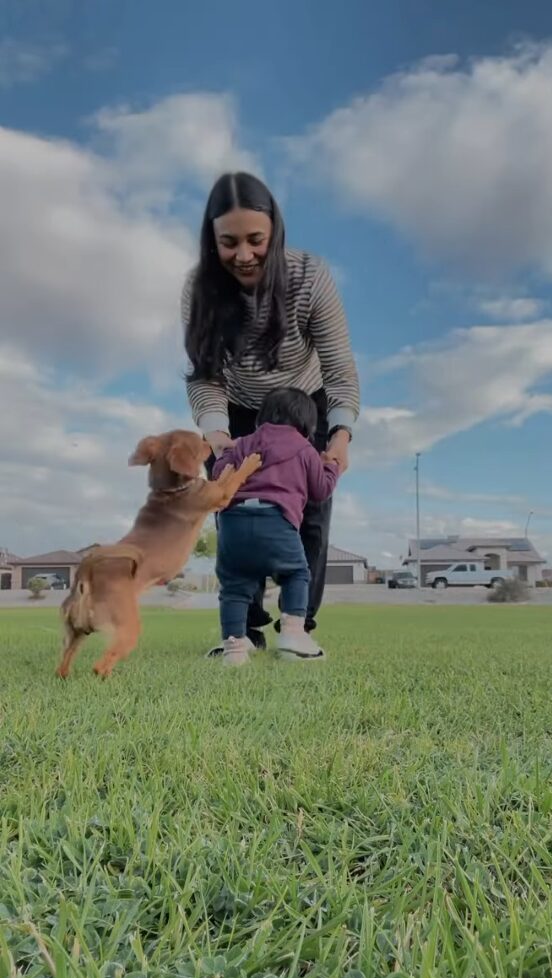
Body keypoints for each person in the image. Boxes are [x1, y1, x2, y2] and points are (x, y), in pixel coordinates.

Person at [182, 171, 359, 655]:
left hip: (307, 404)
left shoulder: (309, 276)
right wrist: (217, 440)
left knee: (312, 513)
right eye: (229, 242)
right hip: (238, 412)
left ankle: (299, 625)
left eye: (256, 240)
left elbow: (340, 367)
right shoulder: (200, 289)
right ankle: (247, 627)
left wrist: (340, 434)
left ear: (274, 232)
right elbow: (204, 375)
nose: (243, 255)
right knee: (237, 511)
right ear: (212, 240)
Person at [213, 388, 341, 665]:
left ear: (262, 417)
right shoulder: (305, 448)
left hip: (233, 524)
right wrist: (331, 466)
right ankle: (293, 634)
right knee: (296, 573)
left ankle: (234, 649)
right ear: (308, 424)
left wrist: (225, 454)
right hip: (277, 521)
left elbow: (218, 474)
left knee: (235, 586)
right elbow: (321, 491)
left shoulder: (245, 443)